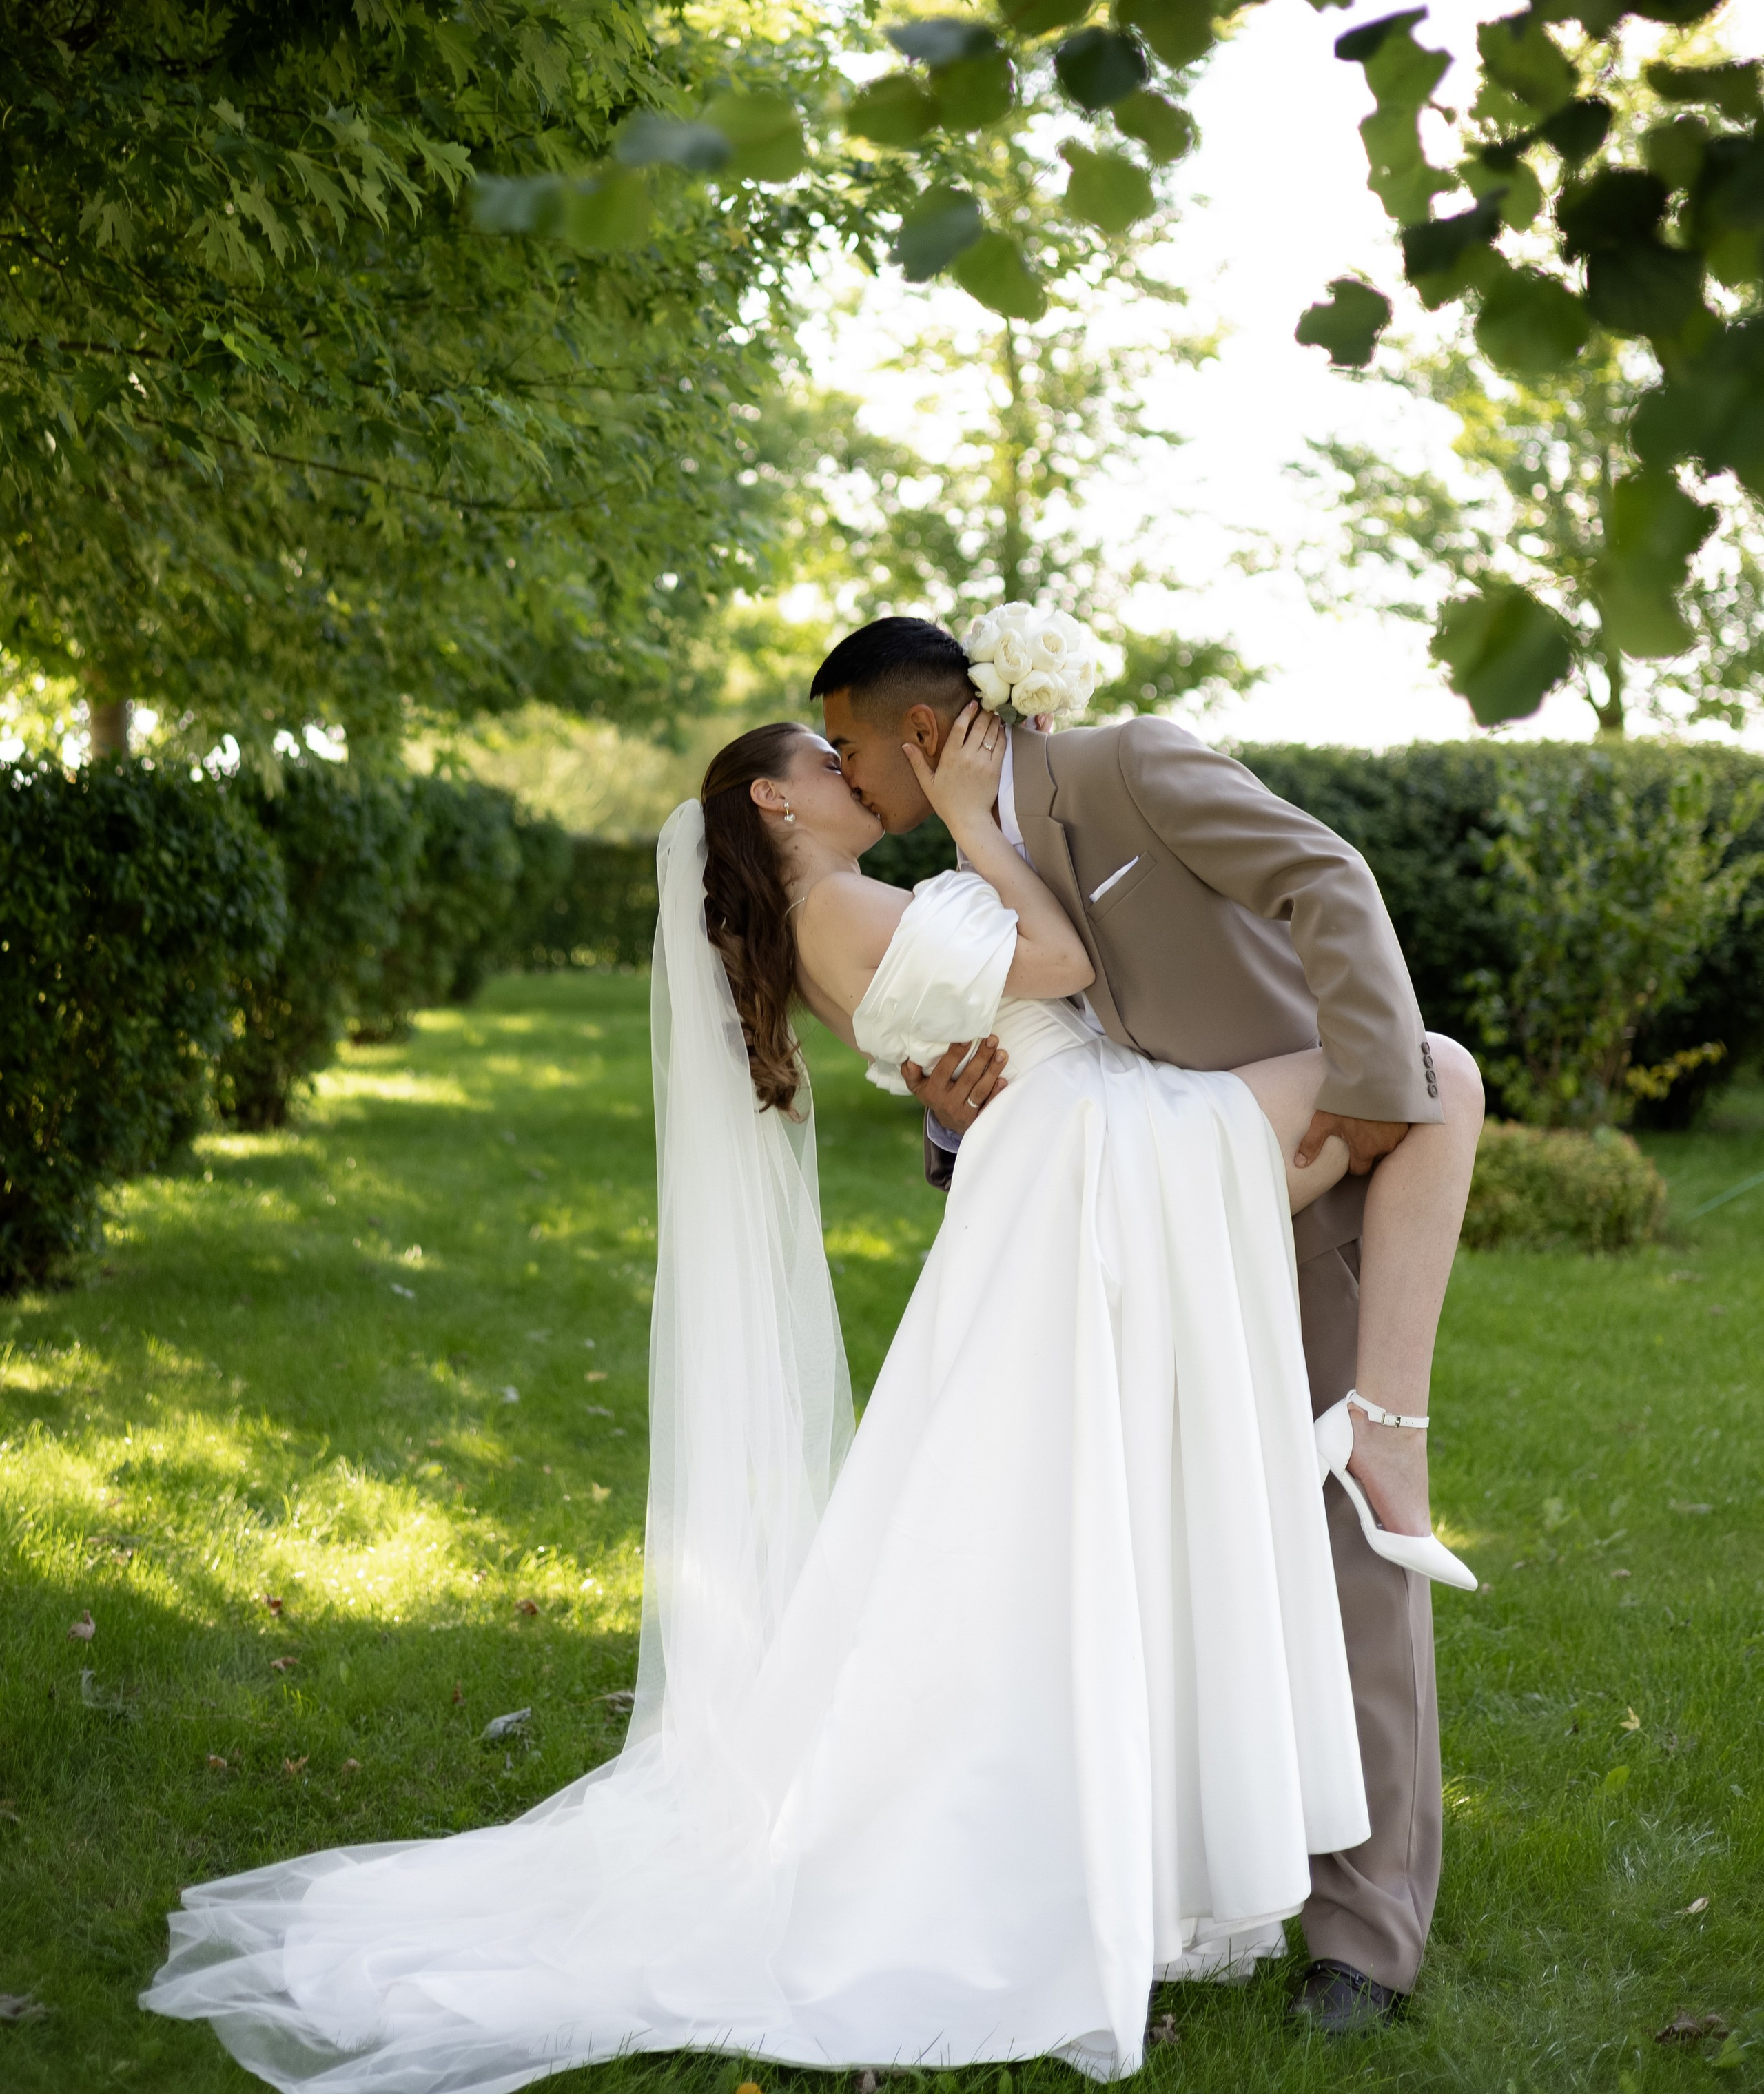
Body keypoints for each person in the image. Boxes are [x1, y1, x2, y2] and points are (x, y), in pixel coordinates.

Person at [143, 699, 1401, 2091]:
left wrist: (947, 1081)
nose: (853, 772)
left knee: (1037, 1516)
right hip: (1078, 1157)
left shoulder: (824, 923)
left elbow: (961, 1041)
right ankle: (1376, 1439)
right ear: (774, 802)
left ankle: (1132, 1801)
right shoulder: (843, 904)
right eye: (824, 759)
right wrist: (975, 821)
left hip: (1052, 1166)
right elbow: (1055, 962)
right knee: (1419, 1092)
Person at [810, 615, 1484, 2036]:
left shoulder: (1128, 767)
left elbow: (1325, 876)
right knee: (1187, 1558)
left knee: (1349, 1549)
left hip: (1297, 1193)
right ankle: (1200, 1865)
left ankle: (1364, 1935)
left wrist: (1371, 1090)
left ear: (919, 731)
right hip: (1142, 1240)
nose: (843, 773)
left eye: (848, 743)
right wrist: (952, 1121)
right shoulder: (960, 876)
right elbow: (1035, 1054)